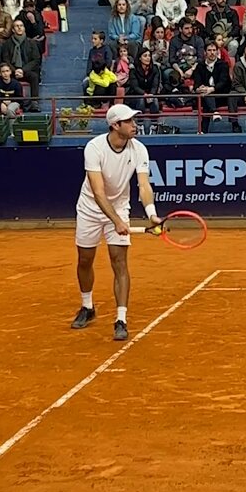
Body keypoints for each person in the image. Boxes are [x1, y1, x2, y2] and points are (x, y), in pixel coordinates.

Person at [71, 103, 159, 342]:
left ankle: (121, 319)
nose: (135, 125)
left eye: (134, 121)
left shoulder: (139, 149)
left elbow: (144, 185)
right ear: (115, 125)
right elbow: (98, 192)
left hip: (119, 207)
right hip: (90, 208)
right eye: (129, 122)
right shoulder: (94, 148)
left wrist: (151, 214)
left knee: (119, 260)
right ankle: (87, 307)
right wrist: (116, 221)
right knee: (85, 260)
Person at [193, 40, 231, 132]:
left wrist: (211, 89)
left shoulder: (223, 65)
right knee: (206, 95)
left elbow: (224, 82)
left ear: (217, 52)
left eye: (214, 50)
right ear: (205, 52)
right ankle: (214, 112)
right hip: (205, 96)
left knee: (207, 96)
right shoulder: (200, 66)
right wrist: (199, 89)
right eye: (209, 50)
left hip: (220, 95)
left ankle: (202, 130)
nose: (212, 53)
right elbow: (196, 83)